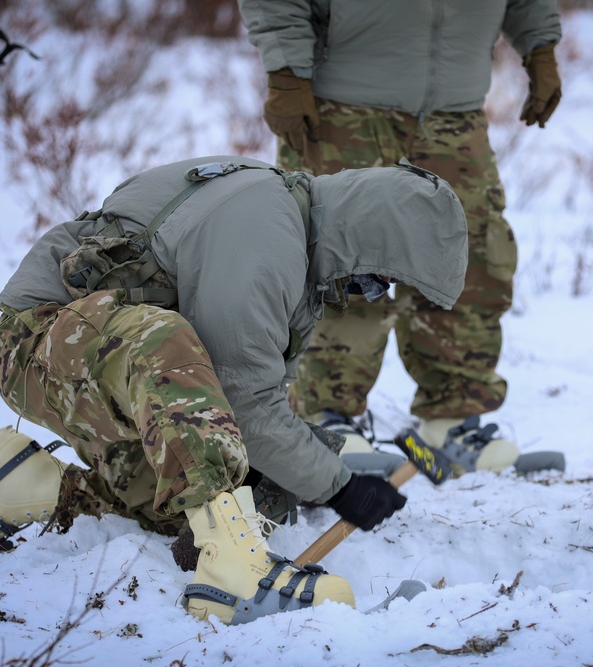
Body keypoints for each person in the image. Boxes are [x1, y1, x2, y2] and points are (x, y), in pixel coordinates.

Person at [0, 155, 468, 625]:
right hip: (35, 345)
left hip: (97, 365)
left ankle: (23, 485)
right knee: (169, 350)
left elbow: (242, 405)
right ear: (362, 240)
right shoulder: (266, 236)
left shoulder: (289, 227)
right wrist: (340, 487)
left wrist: (324, 469)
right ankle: (235, 578)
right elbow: (245, 402)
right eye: (376, 279)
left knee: (217, 499)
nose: (368, 294)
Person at [238, 0, 563, 472]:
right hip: (344, 109)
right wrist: (287, 69)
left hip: (456, 114)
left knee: (471, 263)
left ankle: (451, 423)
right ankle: (325, 417)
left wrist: (540, 47)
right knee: (341, 263)